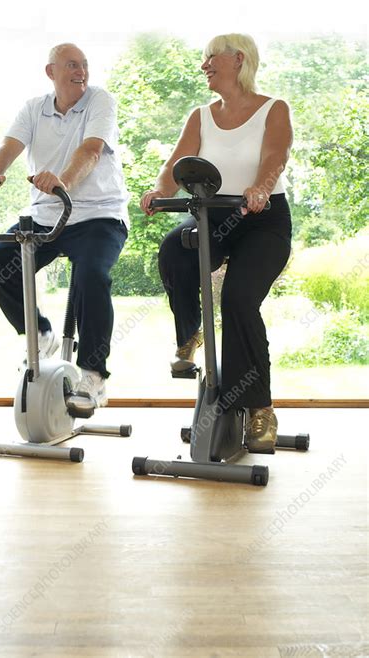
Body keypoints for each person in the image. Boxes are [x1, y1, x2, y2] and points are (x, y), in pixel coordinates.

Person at [141, 33, 293, 453]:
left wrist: (261, 187)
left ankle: (260, 409)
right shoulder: (201, 115)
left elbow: (275, 156)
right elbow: (175, 165)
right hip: (216, 215)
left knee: (239, 301)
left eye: (210, 58)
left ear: (237, 60)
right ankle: (190, 333)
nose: (204, 65)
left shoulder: (272, 109)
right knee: (175, 250)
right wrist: (159, 191)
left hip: (264, 220)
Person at [0, 43, 129, 411]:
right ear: (51, 72)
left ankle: (93, 376)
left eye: (85, 65)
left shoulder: (99, 101)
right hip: (47, 217)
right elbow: (9, 146)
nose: (82, 71)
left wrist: (62, 180)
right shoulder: (33, 108)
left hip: (98, 216)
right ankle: (40, 334)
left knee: (92, 274)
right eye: (72, 65)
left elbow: (90, 151)